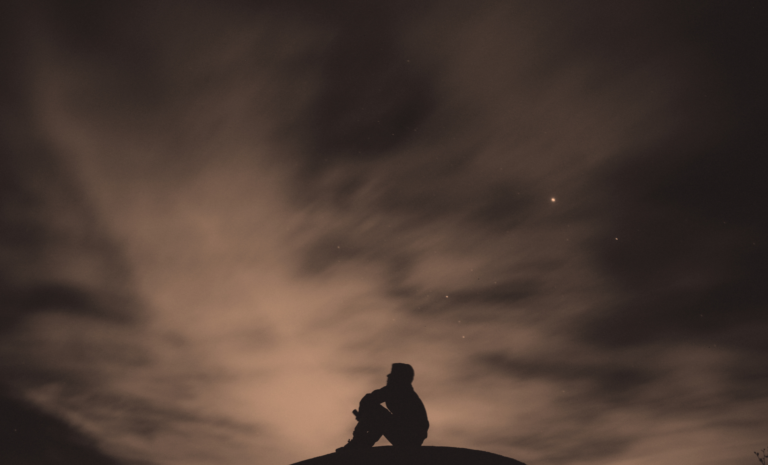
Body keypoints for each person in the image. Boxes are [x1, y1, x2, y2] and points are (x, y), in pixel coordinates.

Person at [336, 363, 429, 452]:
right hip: (409, 436)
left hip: (409, 437)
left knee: (376, 412)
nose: (388, 377)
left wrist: (363, 416)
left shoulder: (399, 390)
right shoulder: (402, 391)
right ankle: (361, 444)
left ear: (399, 378)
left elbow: (368, 400)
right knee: (378, 417)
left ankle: (358, 444)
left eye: (392, 375)